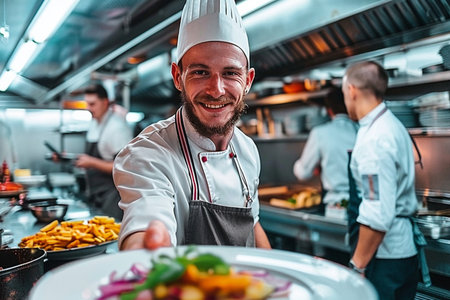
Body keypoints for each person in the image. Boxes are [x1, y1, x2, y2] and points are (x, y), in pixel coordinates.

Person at [113, 0, 271, 251]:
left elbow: (253, 223)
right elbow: (146, 222)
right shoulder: (148, 154)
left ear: (248, 80)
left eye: (230, 73)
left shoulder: (248, 149)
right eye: (200, 72)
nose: (216, 90)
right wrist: (146, 247)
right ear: (178, 77)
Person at [342, 61, 421, 299]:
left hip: (385, 257)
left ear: (352, 90)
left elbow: (377, 215)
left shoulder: (375, 139)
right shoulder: (392, 124)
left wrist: (357, 266)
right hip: (402, 252)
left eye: (344, 93)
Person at [76, 84, 133, 220]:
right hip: (97, 194)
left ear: (105, 102)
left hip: (113, 197)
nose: (89, 108)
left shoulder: (117, 127)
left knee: (111, 236)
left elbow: (125, 167)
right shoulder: (95, 122)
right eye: (87, 104)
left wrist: (91, 162)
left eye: (92, 104)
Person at [293, 87, 358, 206]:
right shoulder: (359, 130)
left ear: (329, 111)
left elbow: (302, 173)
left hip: (335, 205)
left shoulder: (320, 133)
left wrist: (316, 165)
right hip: (360, 204)